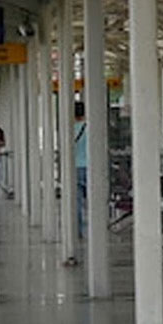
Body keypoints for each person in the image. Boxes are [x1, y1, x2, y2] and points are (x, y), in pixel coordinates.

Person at [74, 102, 88, 238]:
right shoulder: (89, 128)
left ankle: (79, 231)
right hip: (89, 167)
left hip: (75, 167)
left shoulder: (70, 129)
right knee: (92, 199)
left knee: (77, 201)